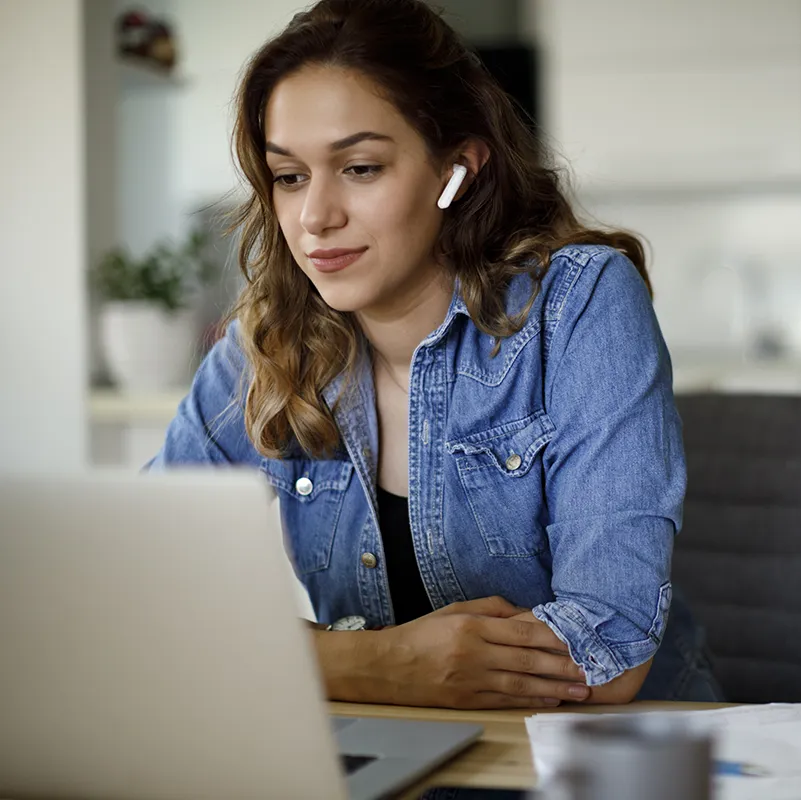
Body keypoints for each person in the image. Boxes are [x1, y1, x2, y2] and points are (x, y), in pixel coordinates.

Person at [150, 0, 722, 713]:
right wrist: (371, 664)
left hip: (603, 762)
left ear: (458, 169)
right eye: (289, 176)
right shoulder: (267, 344)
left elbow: (606, 651)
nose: (314, 216)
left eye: (359, 167)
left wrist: (301, 658)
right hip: (391, 749)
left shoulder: (579, 305)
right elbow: (140, 589)